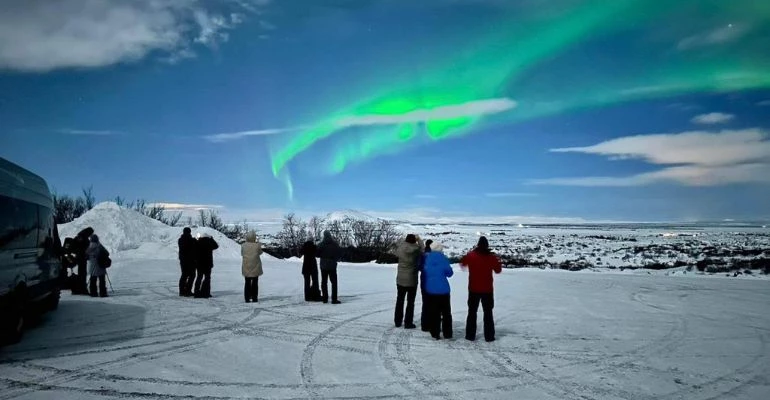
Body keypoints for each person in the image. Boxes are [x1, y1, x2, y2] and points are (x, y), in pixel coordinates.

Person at [460, 236, 502, 342]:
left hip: (473, 288)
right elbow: (498, 270)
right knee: (488, 313)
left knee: (472, 312)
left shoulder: (471, 255)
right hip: (487, 289)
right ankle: (489, 336)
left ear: (478, 244)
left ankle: (470, 336)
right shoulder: (492, 257)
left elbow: (462, 263)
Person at [421, 242, 454, 340]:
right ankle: (447, 333)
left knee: (434, 312)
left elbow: (424, 270)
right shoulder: (443, 258)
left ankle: (435, 332)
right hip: (444, 289)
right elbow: (449, 273)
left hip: (430, 289)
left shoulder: (427, 258)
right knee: (446, 313)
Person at [394, 233, 423, 329]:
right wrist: (419, 239)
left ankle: (397, 321)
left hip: (400, 278)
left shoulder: (400, 249)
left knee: (400, 300)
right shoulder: (416, 250)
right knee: (410, 302)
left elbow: (398, 244)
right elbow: (423, 250)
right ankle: (408, 322)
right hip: (412, 279)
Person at [317, 230, 342, 304]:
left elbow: (317, 253)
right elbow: (339, 253)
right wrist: (335, 259)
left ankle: (325, 298)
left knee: (324, 282)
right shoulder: (334, 244)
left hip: (323, 265)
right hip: (332, 265)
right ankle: (334, 299)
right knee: (334, 282)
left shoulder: (321, 244)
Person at [193, 232, 219, 298]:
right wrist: (212, 239)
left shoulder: (198, 242)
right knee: (207, 278)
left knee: (199, 277)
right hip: (208, 263)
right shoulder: (209, 242)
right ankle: (206, 292)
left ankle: (196, 292)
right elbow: (216, 246)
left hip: (199, 263)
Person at [241, 231, 263, 303]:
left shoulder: (243, 245)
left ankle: (247, 298)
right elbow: (260, 252)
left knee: (247, 282)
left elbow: (242, 253)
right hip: (255, 266)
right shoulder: (257, 245)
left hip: (246, 265)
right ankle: (254, 298)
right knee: (255, 282)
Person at [72, 227, 94, 294]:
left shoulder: (80, 236)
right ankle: (82, 289)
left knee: (82, 273)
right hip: (81, 258)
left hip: (80, 257)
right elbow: (83, 248)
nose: (91, 235)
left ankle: (79, 289)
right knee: (82, 273)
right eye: (91, 233)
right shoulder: (83, 238)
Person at [177, 227, 197, 297]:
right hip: (191, 261)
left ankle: (182, 291)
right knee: (192, 275)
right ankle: (188, 290)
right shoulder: (191, 240)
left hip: (183, 260)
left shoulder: (180, 240)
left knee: (184, 275)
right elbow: (194, 246)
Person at [419, 239, 433, 331]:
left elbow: (419, 267)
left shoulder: (422, 256)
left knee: (425, 303)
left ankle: (424, 325)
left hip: (424, 280)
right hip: (433, 282)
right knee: (433, 303)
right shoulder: (434, 256)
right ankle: (432, 323)